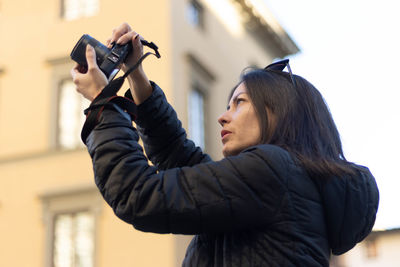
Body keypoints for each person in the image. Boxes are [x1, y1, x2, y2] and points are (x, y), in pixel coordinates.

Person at [71, 23, 379, 267]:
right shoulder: (283, 182)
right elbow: (177, 157)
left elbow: (138, 195)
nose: (221, 117)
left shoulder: (273, 171)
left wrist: (105, 104)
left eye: (238, 103)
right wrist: (137, 75)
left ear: (277, 111)